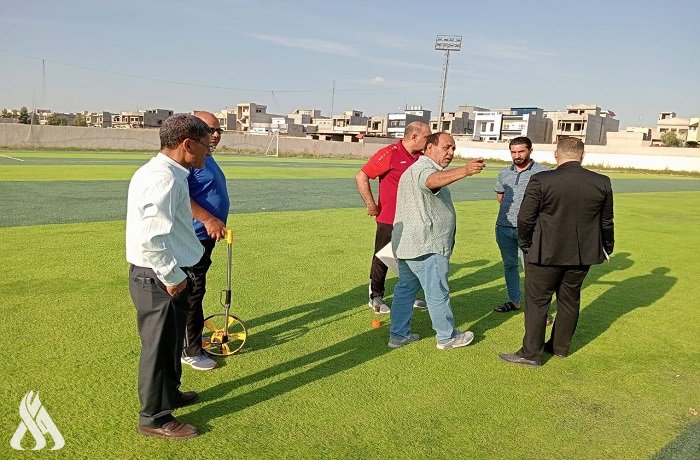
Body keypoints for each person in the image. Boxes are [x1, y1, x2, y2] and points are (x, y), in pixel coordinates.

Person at [126, 113, 212, 439]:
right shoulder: (164, 178)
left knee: (172, 343)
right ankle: (155, 418)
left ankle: (170, 395)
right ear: (187, 144)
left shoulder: (169, 173)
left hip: (170, 274)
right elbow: (151, 238)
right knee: (159, 349)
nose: (208, 151)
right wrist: (172, 275)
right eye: (206, 145)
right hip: (159, 278)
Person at [499, 137, 614, 367]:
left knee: (538, 302)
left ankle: (531, 354)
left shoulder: (542, 179)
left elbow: (525, 218)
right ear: (582, 155)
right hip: (581, 255)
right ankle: (560, 347)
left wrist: (527, 245)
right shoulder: (602, 182)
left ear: (556, 154)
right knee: (570, 300)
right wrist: (607, 247)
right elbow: (606, 221)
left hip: (544, 253)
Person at [389, 132, 486, 349]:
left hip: (409, 244)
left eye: (453, 148)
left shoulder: (414, 169)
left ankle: (398, 335)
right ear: (429, 147)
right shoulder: (424, 169)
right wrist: (465, 171)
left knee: (405, 290)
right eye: (446, 147)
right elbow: (431, 181)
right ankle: (446, 337)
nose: (451, 152)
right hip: (427, 244)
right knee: (437, 291)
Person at [356, 121, 432, 314]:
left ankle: (409, 294)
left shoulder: (422, 158)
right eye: (426, 137)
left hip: (415, 218)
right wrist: (370, 204)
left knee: (412, 257)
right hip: (390, 218)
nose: (429, 140)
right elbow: (361, 176)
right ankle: (376, 296)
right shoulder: (389, 153)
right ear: (414, 137)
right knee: (383, 257)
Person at [181, 111, 229, 371]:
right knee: (193, 291)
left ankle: (191, 339)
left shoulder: (207, 157)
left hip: (205, 237)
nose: (216, 134)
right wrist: (209, 219)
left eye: (219, 129)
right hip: (194, 236)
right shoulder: (188, 160)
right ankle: (190, 350)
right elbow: (180, 196)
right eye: (210, 129)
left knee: (197, 289)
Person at [493, 137, 549, 313]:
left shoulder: (544, 173)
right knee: (510, 265)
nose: (517, 155)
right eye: (513, 152)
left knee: (532, 270)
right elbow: (500, 197)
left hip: (531, 229)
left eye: (521, 151)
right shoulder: (503, 173)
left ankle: (538, 310)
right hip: (504, 227)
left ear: (530, 150)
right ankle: (514, 301)